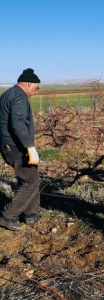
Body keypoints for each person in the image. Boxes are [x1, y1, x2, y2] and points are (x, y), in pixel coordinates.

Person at [0, 68, 43, 231]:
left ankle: (30, 214)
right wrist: (29, 147)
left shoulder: (9, 93)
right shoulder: (19, 96)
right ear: (29, 83)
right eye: (36, 88)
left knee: (29, 178)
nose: (36, 92)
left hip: (11, 144)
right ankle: (8, 216)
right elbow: (17, 123)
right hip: (16, 146)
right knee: (30, 181)